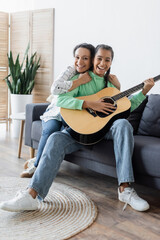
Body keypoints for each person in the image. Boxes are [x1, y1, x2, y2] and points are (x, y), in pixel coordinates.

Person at [0, 44, 154, 213]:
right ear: (94, 59)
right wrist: (88, 104)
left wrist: (143, 92)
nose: (102, 63)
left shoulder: (111, 85)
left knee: (123, 123)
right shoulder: (82, 79)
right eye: (99, 58)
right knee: (55, 138)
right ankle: (31, 196)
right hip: (79, 132)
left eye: (107, 60)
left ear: (111, 63)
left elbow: (126, 107)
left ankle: (125, 189)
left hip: (104, 131)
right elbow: (60, 100)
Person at [21, 43, 120, 178]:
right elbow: (55, 90)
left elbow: (108, 99)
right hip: (56, 113)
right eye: (77, 57)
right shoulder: (71, 71)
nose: (80, 62)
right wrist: (79, 82)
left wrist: (117, 86)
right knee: (51, 130)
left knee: (67, 134)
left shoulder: (97, 78)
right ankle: (37, 166)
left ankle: (40, 159)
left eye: (85, 58)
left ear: (91, 60)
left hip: (74, 114)